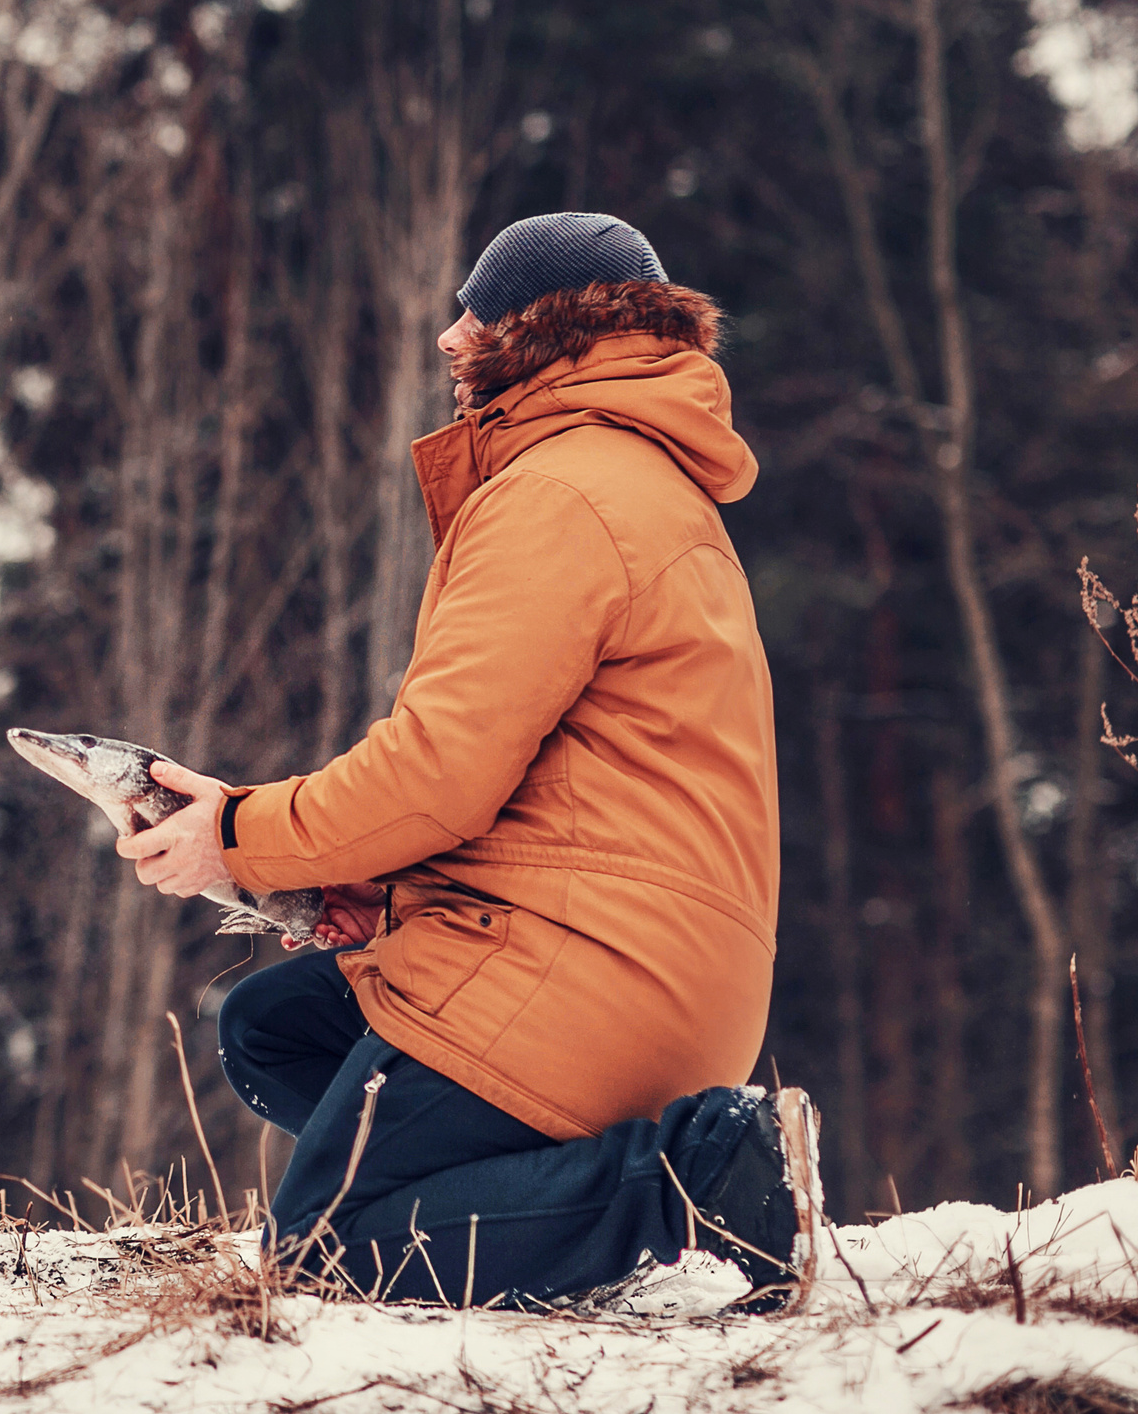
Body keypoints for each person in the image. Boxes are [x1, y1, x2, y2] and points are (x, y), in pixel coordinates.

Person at [128, 213, 814, 1309]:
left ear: (544, 329)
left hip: (589, 967)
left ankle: (682, 1180)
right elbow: (565, 786)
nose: (450, 338)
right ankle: (519, 1204)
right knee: (269, 1026)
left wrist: (236, 834)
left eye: (475, 312)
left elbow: (439, 771)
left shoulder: (558, 493)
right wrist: (362, 885)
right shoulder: (635, 484)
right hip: (655, 967)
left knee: (321, 1254)